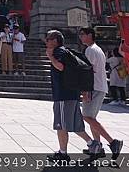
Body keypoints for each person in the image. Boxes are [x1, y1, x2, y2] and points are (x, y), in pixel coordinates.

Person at [45, 29, 94, 162]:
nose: (46, 41)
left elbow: (60, 67)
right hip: (72, 94)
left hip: (63, 94)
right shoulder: (67, 51)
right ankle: (92, 144)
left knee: (61, 125)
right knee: (75, 124)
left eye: (48, 38)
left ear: (55, 40)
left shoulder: (58, 52)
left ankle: (62, 153)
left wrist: (50, 56)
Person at [79, 27, 123, 160]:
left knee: (87, 117)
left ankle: (112, 142)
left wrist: (85, 91)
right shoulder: (97, 49)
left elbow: (88, 71)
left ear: (90, 35)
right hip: (100, 86)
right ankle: (97, 147)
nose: (81, 37)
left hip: (94, 87)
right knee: (91, 118)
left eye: (83, 34)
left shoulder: (90, 50)